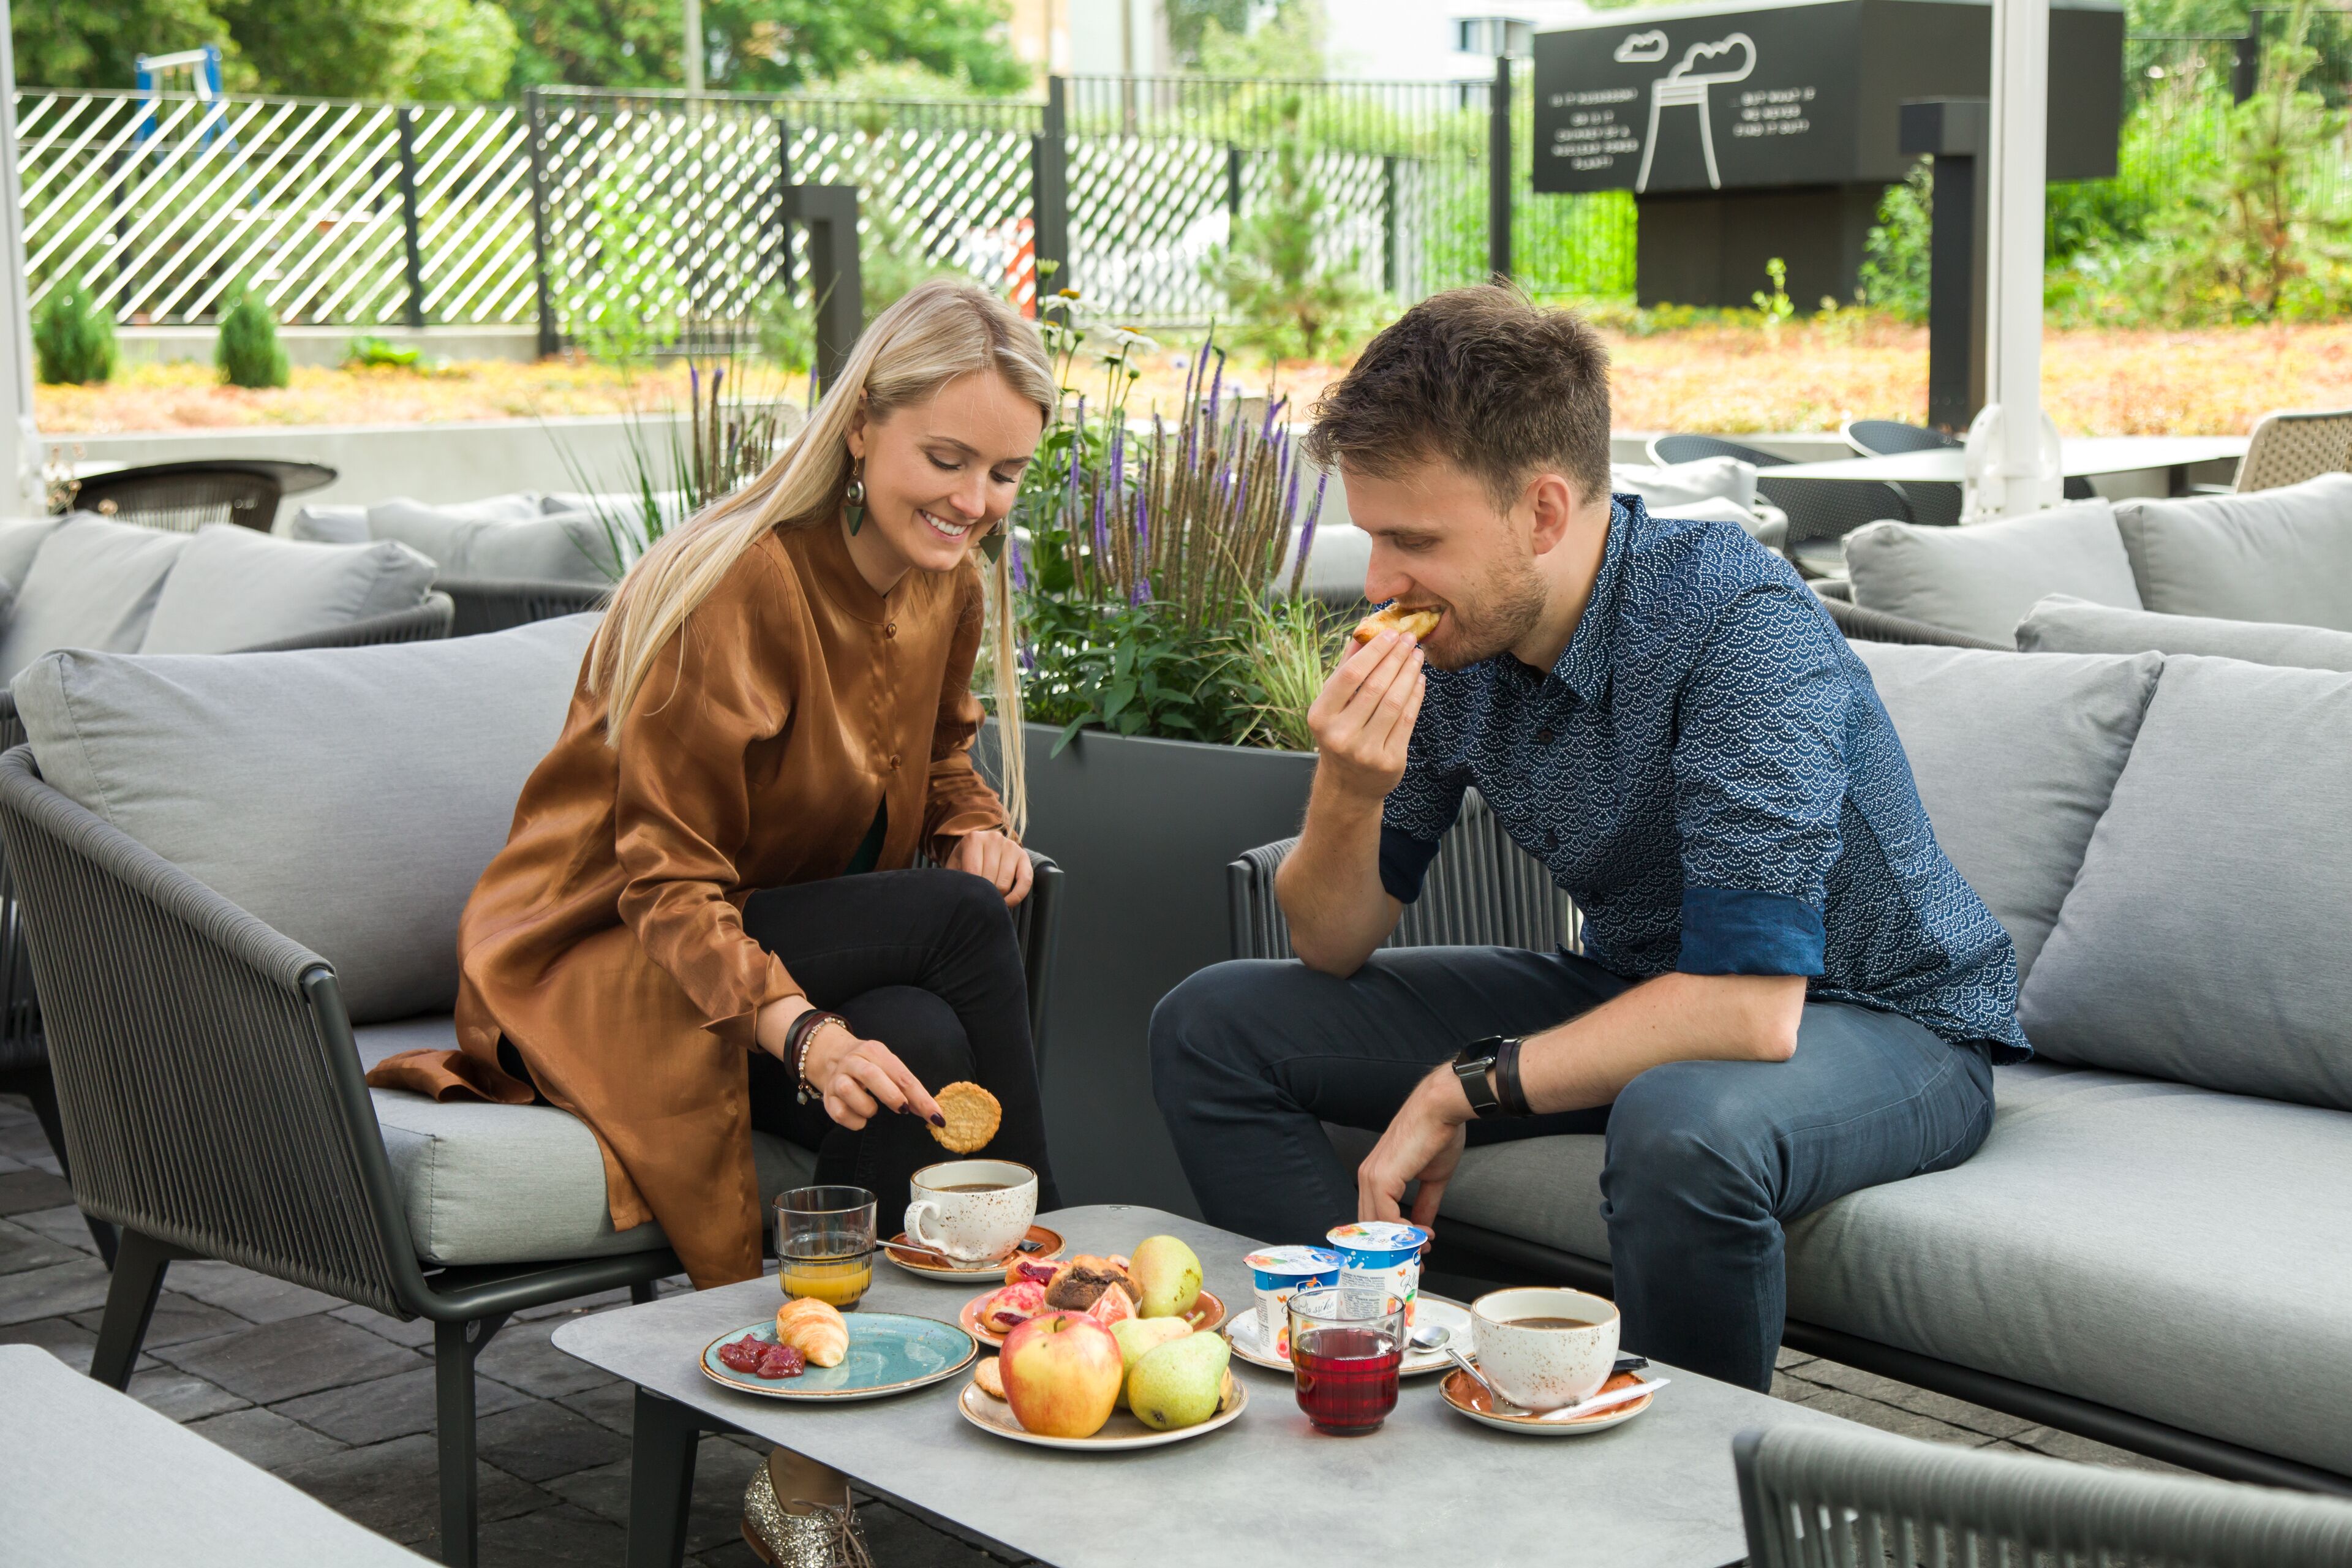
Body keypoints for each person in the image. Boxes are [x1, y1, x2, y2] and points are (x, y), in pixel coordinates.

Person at [1150, 285, 2024, 1394]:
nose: (1378, 587)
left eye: (1413, 541)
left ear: (1545, 515)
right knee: (1213, 1025)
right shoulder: (1463, 640)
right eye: (1372, 539)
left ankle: (1688, 1520)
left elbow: (1750, 1009)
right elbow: (1332, 943)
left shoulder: (1737, 623)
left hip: (1884, 1018)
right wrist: (1346, 785)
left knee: (1680, 1125)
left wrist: (1460, 1085)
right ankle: (1360, 1383)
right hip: (1634, 988)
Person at [368, 279, 1064, 1562]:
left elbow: (937, 751)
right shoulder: (736, 581)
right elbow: (664, 881)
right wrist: (802, 1035)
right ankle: (1052, 1302)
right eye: (947, 458)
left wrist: (973, 815)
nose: (975, 500)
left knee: (914, 1030)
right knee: (959, 935)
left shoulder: (945, 577)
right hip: (603, 946)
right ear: (863, 426)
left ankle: (809, 1466)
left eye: (1007, 472)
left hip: (762, 926)